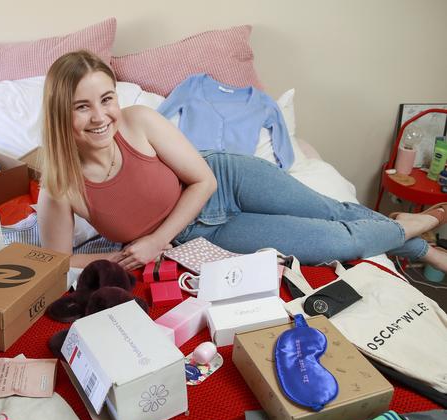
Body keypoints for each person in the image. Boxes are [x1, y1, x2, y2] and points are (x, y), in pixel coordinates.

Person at [37, 50, 447, 274]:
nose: (100, 116)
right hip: (202, 235)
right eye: (81, 107)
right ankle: (415, 235)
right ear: (60, 114)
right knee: (339, 240)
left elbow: (203, 182)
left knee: (333, 209)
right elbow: (57, 262)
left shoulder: (140, 122)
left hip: (225, 179)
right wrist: (122, 257)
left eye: (107, 99)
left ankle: (419, 243)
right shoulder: (60, 186)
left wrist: (156, 241)